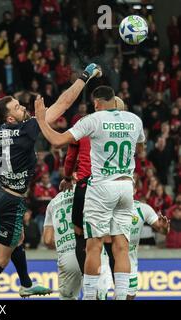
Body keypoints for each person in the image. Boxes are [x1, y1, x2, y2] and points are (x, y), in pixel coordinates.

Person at [0, 63, 102, 300]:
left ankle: (27, 283)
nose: (24, 109)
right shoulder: (28, 128)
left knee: (17, 238)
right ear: (11, 117)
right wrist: (85, 76)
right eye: (19, 108)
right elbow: (63, 104)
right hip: (11, 201)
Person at [34, 86, 146, 300]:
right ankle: (121, 297)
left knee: (92, 245)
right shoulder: (135, 119)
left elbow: (57, 141)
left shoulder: (93, 120)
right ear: (115, 101)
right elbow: (140, 150)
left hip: (101, 186)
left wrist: (41, 119)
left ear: (96, 104)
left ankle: (90, 297)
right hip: (125, 186)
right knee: (121, 246)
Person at [60, 96, 126, 275]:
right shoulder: (126, 126)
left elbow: (71, 156)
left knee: (81, 233)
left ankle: (90, 285)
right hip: (115, 186)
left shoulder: (85, 123)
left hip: (87, 184)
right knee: (113, 237)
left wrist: (67, 177)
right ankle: (118, 288)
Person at [43, 190, 113, 300]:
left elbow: (47, 240)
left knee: (67, 297)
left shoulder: (53, 202)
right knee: (98, 295)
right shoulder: (91, 190)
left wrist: (63, 246)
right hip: (91, 250)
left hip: (67, 256)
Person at [96, 198, 169, 300]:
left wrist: (165, 227)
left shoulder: (143, 208)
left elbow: (162, 230)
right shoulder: (107, 205)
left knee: (129, 296)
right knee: (100, 295)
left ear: (134, 190)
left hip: (129, 258)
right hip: (105, 256)